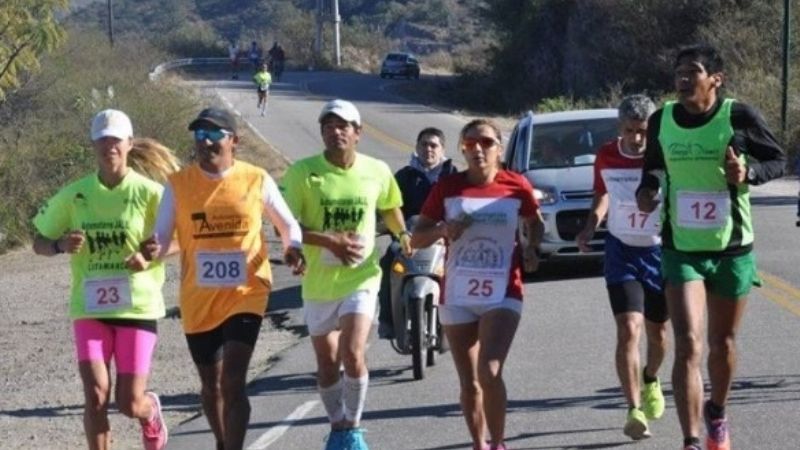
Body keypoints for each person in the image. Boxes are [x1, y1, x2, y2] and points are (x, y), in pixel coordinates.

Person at [636, 44, 785, 450]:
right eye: (679, 72)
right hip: (681, 248)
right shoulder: (661, 119)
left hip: (732, 247)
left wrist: (748, 172)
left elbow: (778, 160)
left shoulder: (739, 116)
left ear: (715, 79)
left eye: (693, 72)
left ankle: (716, 411)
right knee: (688, 344)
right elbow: (652, 166)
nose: (683, 79)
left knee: (723, 345)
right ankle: (690, 440)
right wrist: (647, 190)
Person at [140, 107, 305, 450]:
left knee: (232, 380)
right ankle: (222, 441)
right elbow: (160, 236)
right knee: (211, 385)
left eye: (215, 135)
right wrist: (147, 252)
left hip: (247, 290)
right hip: (198, 296)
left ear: (234, 141)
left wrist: (293, 248)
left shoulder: (256, 178)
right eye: (200, 135)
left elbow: (287, 224)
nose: (206, 142)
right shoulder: (179, 185)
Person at [32, 109, 173, 450]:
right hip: (89, 307)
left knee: (128, 403)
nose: (109, 146)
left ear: (129, 143)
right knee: (95, 395)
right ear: (93, 145)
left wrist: (151, 253)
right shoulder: (75, 193)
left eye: (116, 140)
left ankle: (150, 411)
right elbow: (38, 241)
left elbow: (181, 238)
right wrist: (59, 244)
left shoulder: (151, 192)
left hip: (137, 307)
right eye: (103, 140)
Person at [279, 99, 411, 450]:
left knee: (353, 353)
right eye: (328, 126)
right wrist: (327, 242)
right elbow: (287, 225)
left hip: (361, 277)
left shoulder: (376, 170)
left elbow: (390, 208)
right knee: (327, 363)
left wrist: (402, 234)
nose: (335, 132)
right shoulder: (302, 173)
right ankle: (336, 426)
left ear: (357, 133)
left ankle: (352, 427)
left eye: (343, 126)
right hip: (319, 281)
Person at [410, 119, 544, 450]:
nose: (478, 150)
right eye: (470, 144)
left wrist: (530, 247)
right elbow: (417, 238)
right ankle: (479, 444)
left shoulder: (516, 185)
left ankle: (498, 443)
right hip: (457, 290)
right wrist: (443, 230)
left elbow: (534, 223)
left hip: (503, 289)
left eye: (485, 143)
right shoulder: (447, 187)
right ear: (463, 150)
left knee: (490, 369)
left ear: (499, 148)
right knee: (469, 382)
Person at [575, 94, 668, 440]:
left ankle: (651, 377)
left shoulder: (661, 155)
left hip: (659, 252)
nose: (637, 138)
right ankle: (633, 409)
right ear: (620, 128)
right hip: (621, 250)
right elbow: (603, 193)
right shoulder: (606, 154)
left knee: (659, 335)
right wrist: (591, 225)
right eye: (630, 130)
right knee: (630, 329)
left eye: (643, 131)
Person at [377, 127, 457, 339]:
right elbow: (389, 208)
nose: (428, 149)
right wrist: (386, 227)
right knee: (388, 261)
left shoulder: (453, 176)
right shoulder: (403, 176)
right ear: (416, 148)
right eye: (424, 144)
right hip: (409, 240)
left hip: (445, 241)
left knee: (460, 267)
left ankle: (459, 321)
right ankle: (387, 320)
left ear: (442, 149)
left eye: (434, 145)